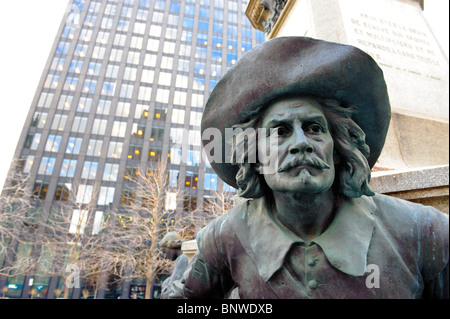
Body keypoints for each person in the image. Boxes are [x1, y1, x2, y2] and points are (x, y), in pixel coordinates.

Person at [178, 37, 449, 299]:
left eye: (314, 128)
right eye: (281, 131)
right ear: (255, 157)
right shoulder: (223, 238)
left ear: (339, 149)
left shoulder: (426, 232)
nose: (301, 143)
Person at [159, 232, 188, 299]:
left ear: (171, 246)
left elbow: (171, 291)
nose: (165, 256)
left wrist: (165, 285)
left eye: (164, 251)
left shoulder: (183, 258)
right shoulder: (183, 258)